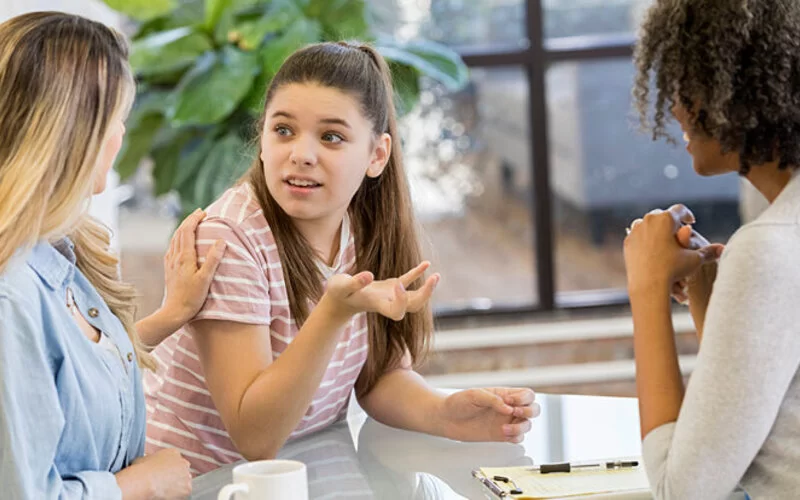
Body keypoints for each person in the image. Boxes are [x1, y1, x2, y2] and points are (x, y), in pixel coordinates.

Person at [144, 41, 539, 475]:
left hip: (306, 471)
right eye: (283, 130)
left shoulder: (364, 223)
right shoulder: (231, 238)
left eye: (331, 136)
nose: (301, 154)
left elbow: (379, 375)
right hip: (203, 483)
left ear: (377, 155)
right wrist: (333, 312)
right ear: (261, 140)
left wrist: (445, 413)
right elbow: (255, 436)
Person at [0, 12, 226, 499]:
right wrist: (137, 487)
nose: (121, 136)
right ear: (76, 137)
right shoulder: (9, 297)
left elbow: (63, 382)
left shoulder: (52, 257)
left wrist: (173, 314)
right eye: (116, 119)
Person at [625, 0, 800, 498]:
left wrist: (647, 290)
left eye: (685, 83)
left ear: (735, 86)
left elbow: (681, 490)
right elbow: (761, 419)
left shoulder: (769, 247)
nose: (674, 107)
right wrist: (708, 295)